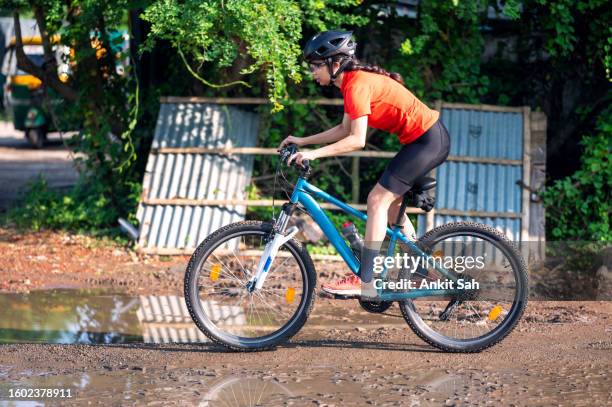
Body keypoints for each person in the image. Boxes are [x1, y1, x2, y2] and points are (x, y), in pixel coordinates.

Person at [278, 30, 450, 297]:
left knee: (376, 200)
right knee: (390, 209)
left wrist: (313, 154)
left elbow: (357, 140)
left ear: (335, 63)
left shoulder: (357, 84)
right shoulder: (351, 84)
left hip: (428, 141)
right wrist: (303, 141)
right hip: (421, 141)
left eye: (315, 66)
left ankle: (365, 280)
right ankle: (422, 268)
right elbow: (344, 129)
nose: (312, 73)